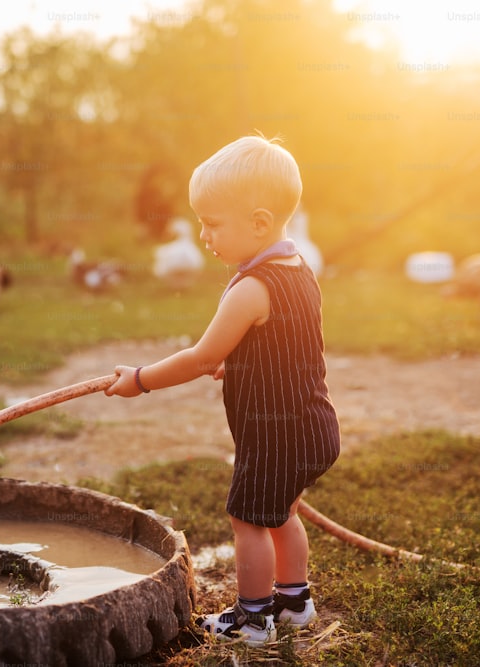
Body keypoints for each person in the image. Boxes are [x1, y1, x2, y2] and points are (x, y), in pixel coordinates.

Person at [104, 134, 340, 646]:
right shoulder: (298, 271)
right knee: (282, 511)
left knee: (247, 518)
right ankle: (295, 604)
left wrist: (139, 380)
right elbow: (291, 346)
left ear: (259, 222)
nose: (204, 234)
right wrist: (246, 364)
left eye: (213, 223)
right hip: (313, 425)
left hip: (276, 435)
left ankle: (254, 619)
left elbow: (200, 357)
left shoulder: (252, 288)